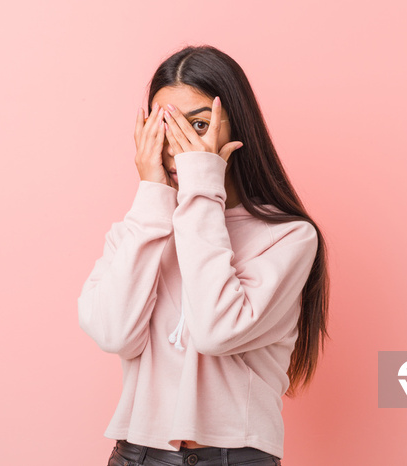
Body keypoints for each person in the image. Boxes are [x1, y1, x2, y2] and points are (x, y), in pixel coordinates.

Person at [78, 44, 330, 466]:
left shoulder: (289, 237)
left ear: (237, 127)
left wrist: (201, 186)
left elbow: (217, 331)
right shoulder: (139, 228)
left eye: (197, 125)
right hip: (136, 455)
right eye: (164, 127)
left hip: (235, 458)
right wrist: (153, 197)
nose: (178, 147)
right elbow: (113, 333)